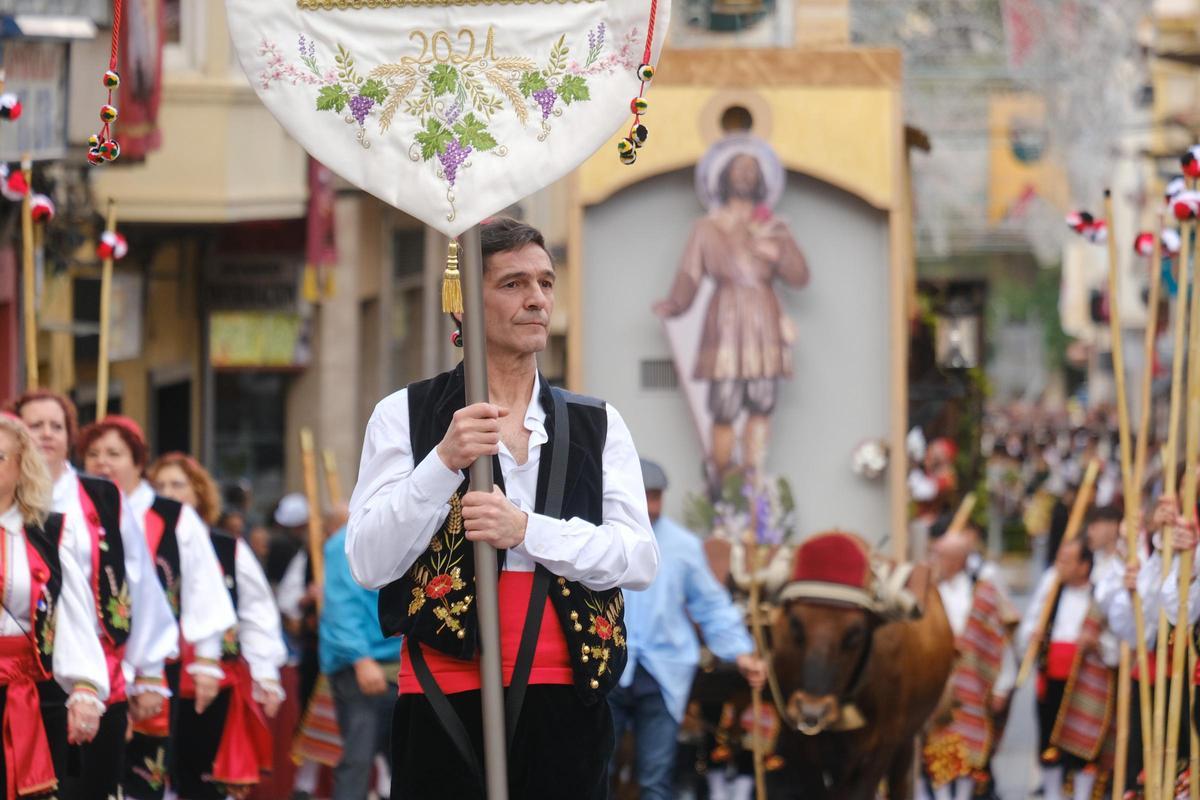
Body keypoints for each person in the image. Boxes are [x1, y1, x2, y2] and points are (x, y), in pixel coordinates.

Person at [348, 217, 658, 799]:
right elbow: (368, 562)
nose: (537, 299)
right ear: (462, 302)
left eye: (545, 282)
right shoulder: (404, 415)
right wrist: (441, 463)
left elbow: (638, 559)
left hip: (569, 687)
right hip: (444, 687)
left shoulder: (597, 423)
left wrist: (527, 531)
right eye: (513, 284)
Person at [8, 389, 177, 800]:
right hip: (27, 671)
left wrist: (149, 668)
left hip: (100, 665)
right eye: (35, 425)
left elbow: (135, 579)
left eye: (57, 425)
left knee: (94, 785)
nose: (46, 434)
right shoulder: (6, 502)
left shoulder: (102, 495)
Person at [77, 415, 237, 799]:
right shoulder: (72, 510)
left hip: (154, 665)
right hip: (87, 665)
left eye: (115, 453)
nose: (103, 462)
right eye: (93, 453)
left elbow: (203, 586)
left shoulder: (171, 515)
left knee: (143, 778)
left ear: (137, 461)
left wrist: (207, 660)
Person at [653, 149, 809, 487]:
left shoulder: (773, 228)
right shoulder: (707, 227)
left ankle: (753, 477)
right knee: (723, 403)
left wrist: (779, 254)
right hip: (725, 316)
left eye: (752, 170)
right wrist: (675, 304)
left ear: (762, 181)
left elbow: (800, 276)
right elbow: (690, 273)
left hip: (764, 315)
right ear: (723, 180)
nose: (745, 175)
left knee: (762, 400)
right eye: (739, 169)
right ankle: (722, 478)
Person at [610, 459, 765, 800]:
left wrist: (741, 652)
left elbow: (710, 604)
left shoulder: (683, 545)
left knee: (655, 777)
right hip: (608, 668)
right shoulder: (603, 535)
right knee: (598, 772)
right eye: (644, 495)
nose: (651, 505)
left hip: (663, 672)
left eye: (657, 496)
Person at [149, 452, 287, 798]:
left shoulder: (227, 548)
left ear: (198, 494)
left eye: (177, 485)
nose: (168, 492)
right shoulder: (137, 541)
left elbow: (256, 613)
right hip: (152, 684)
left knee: (202, 786)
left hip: (214, 687)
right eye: (160, 485)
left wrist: (265, 671)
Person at [0, 413, 110, 798]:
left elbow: (73, 616)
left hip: (30, 692)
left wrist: (84, 686)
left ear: (21, 466)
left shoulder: (48, 534)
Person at [1017, 538, 1117, 800]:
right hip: (1052, 676)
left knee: (1084, 742)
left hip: (1087, 681)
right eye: (1059, 560)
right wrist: (1034, 635)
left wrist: (1096, 643)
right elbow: (1029, 626)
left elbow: (1114, 640)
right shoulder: (1051, 592)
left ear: (1084, 566)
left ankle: (1083, 794)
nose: (1059, 566)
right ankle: (1052, 792)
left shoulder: (1100, 594)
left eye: (1067, 560)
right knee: (1049, 738)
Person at [920, 530, 1013, 800]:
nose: (935, 561)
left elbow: (999, 640)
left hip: (974, 683)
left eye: (942, 556)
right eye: (935, 554)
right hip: (937, 683)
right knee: (938, 745)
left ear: (958, 560)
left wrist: (1002, 687)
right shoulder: (926, 590)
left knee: (967, 745)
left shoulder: (982, 589)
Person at [320, 516, 402, 800]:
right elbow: (342, 606)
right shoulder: (343, 541)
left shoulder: (407, 525)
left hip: (402, 664)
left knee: (409, 760)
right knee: (358, 758)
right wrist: (360, 659)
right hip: (362, 667)